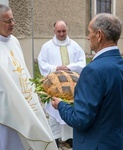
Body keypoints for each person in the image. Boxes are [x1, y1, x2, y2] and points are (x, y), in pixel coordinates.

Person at [51, 13, 123, 150]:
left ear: (99, 35)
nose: (88, 37)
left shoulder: (93, 71)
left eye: (89, 32)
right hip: (117, 143)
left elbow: (80, 120)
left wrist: (61, 105)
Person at [0, 4, 58, 150]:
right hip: (5, 109)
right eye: (8, 21)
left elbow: (21, 71)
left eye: (13, 20)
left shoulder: (14, 41)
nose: (12, 24)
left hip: (23, 101)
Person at [38, 20, 86, 147]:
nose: (61, 34)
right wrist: (56, 68)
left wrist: (69, 67)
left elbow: (82, 63)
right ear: (54, 31)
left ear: (67, 30)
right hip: (55, 89)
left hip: (70, 90)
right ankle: (55, 140)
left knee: (70, 112)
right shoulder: (46, 47)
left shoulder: (75, 46)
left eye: (63, 31)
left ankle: (70, 139)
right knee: (54, 117)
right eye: (58, 31)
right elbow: (42, 63)